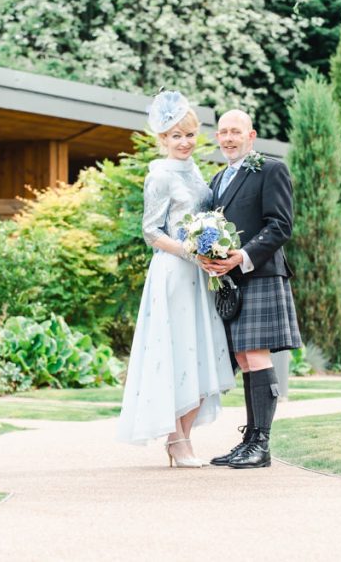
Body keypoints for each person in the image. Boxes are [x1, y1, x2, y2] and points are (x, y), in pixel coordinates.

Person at [116, 91, 235, 468]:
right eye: (175, 136)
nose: (183, 142)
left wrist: (213, 248)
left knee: (201, 351)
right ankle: (177, 440)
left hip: (201, 274)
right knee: (179, 349)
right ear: (162, 139)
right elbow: (151, 231)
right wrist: (190, 252)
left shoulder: (196, 171)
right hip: (175, 272)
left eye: (188, 135)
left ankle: (182, 438)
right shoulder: (160, 175)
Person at [203, 109, 302, 469]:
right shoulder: (216, 180)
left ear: (251, 135)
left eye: (236, 132)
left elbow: (280, 225)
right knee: (245, 359)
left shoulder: (270, 170)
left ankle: (262, 444)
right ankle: (248, 441)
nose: (228, 138)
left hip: (259, 274)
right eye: (223, 132)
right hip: (230, 282)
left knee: (256, 356)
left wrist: (241, 256)